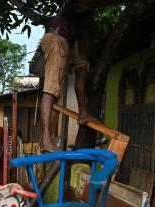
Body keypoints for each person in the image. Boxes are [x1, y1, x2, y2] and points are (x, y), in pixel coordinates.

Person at [39, 4, 96, 153]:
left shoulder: (85, 20)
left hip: (69, 43)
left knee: (82, 67)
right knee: (51, 87)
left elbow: (82, 38)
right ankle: (45, 140)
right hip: (56, 39)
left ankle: (83, 114)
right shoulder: (72, 5)